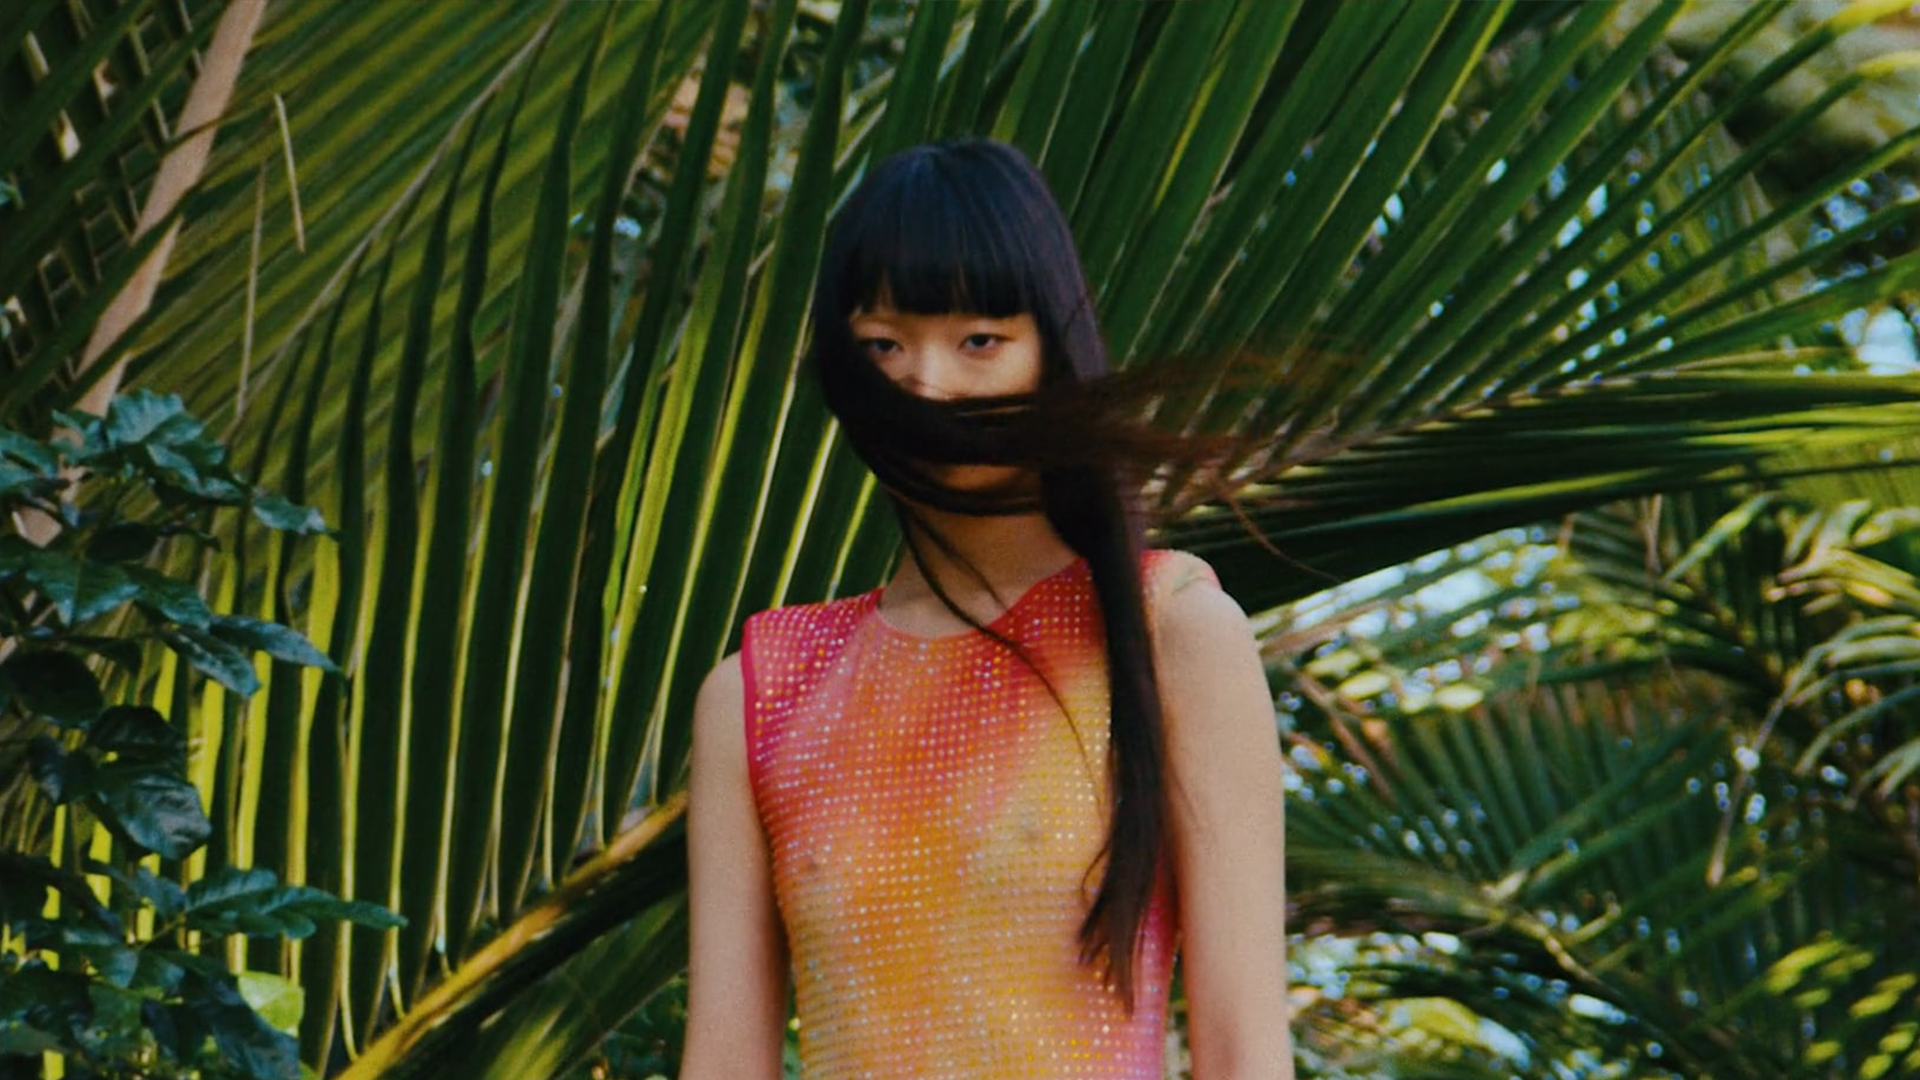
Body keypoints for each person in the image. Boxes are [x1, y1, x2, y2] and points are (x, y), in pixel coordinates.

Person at [681, 138, 1291, 1080]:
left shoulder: (1172, 633)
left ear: (1051, 350)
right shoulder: (757, 694)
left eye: (978, 342)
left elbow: (1246, 1053)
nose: (926, 384)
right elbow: (723, 1061)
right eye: (883, 344)